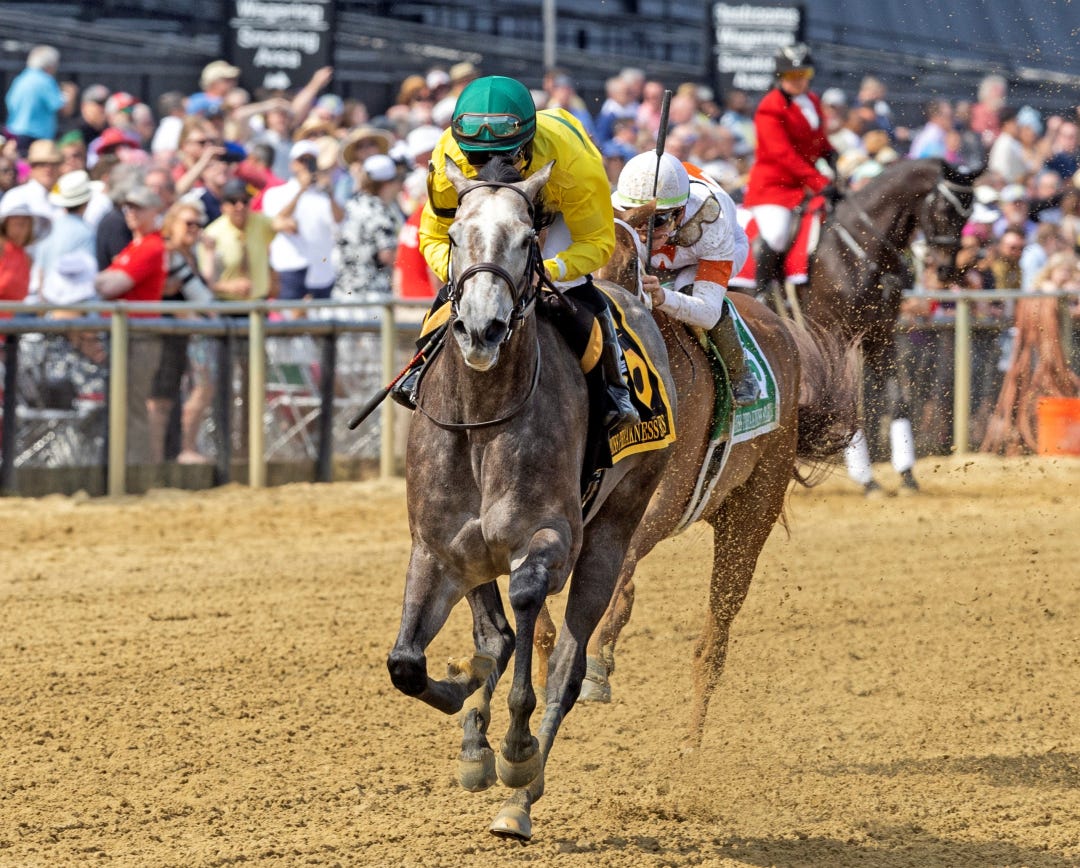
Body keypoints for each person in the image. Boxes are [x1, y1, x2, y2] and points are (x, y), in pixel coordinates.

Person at [393, 74, 639, 431]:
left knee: (572, 289)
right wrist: (464, 273)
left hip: (555, 205)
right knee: (459, 290)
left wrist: (552, 269)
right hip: (492, 212)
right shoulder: (447, 158)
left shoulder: (575, 167)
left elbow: (598, 243)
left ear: (525, 145)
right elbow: (432, 236)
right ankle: (418, 368)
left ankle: (614, 388)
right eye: (475, 157)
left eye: (500, 154)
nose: (487, 163)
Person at [613, 152, 758, 405]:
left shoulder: (714, 221)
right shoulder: (617, 207)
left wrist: (663, 297)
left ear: (679, 213)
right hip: (669, 250)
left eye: (657, 221)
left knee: (687, 289)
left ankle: (740, 373)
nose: (645, 234)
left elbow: (708, 312)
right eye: (635, 218)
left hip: (710, 252)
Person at [743, 43, 837, 297]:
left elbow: (817, 139)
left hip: (804, 183)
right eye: (792, 76)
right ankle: (761, 292)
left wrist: (830, 153)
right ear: (780, 76)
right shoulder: (769, 107)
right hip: (774, 188)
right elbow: (783, 155)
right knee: (776, 235)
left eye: (803, 75)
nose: (798, 81)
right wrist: (819, 181)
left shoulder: (813, 101)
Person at [93, 185, 168, 466]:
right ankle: (122, 468)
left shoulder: (151, 246)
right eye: (128, 208)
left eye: (138, 208)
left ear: (154, 211)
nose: (131, 213)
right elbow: (106, 281)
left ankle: (135, 471)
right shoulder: (135, 245)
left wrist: (92, 280)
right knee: (122, 403)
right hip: (126, 335)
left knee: (133, 405)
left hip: (139, 337)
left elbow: (112, 285)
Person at [262, 139, 344, 311]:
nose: (306, 165)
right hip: (289, 272)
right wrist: (301, 190)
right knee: (289, 331)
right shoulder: (276, 193)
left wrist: (329, 193)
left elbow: (339, 220)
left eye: (311, 160)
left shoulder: (325, 196)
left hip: (322, 274)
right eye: (302, 160)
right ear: (292, 164)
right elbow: (275, 223)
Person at [332, 153, 404, 306]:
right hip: (372, 296)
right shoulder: (381, 212)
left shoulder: (351, 205)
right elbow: (387, 255)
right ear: (386, 183)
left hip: (343, 293)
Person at [3, 45, 77, 154]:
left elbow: (9, 103)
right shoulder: (45, 81)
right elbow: (64, 109)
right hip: (36, 137)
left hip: (13, 134)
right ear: (50, 65)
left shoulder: (20, 79)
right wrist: (71, 94)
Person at [0, 187, 52, 315]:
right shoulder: (2, 249)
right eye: (17, 224)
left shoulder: (26, 256)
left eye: (25, 224)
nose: (21, 230)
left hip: (14, 322)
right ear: (6, 224)